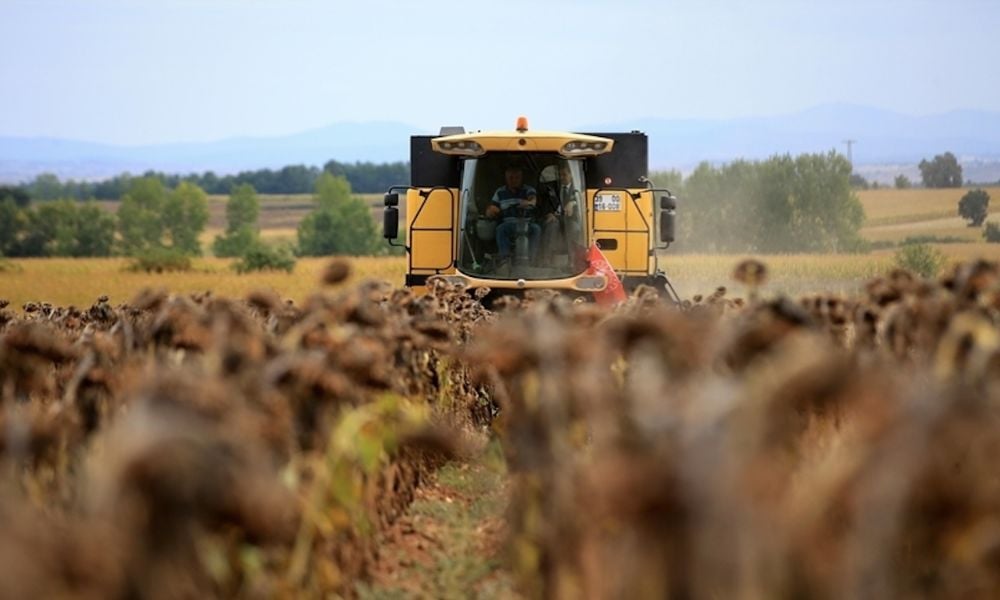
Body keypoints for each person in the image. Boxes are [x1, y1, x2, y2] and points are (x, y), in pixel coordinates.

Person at [486, 165, 540, 262]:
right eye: (511, 178)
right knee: (500, 229)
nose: (514, 180)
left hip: (526, 223)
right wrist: (490, 211)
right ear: (506, 178)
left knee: (536, 229)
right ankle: (505, 260)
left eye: (517, 177)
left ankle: (532, 260)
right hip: (508, 224)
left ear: (521, 178)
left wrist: (528, 203)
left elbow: (533, 200)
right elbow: (492, 208)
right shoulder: (500, 192)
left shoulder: (528, 189)